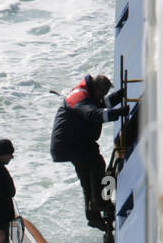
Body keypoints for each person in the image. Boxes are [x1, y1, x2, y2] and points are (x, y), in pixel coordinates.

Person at [50, 73, 124, 228]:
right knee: (97, 164)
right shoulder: (79, 96)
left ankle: (93, 217)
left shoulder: (88, 95)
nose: (102, 97)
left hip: (74, 144)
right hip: (70, 145)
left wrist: (119, 96)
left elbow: (100, 104)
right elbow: (92, 113)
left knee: (86, 177)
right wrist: (116, 113)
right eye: (102, 93)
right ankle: (99, 201)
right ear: (96, 89)